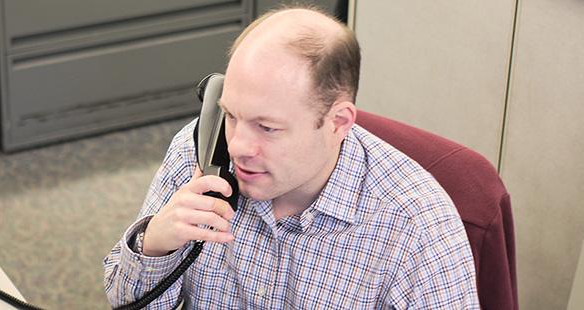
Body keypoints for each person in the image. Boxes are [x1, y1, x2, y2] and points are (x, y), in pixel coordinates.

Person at [104, 6, 479, 309]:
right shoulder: (199, 151)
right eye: (232, 115)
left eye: (267, 128)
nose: (237, 147)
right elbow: (124, 303)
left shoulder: (415, 228)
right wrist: (154, 245)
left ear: (337, 122)